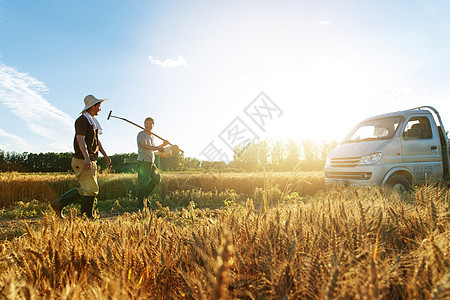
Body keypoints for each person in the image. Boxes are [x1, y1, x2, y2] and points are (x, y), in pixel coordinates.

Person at [50, 95, 111, 218]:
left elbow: (96, 141)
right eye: (98, 106)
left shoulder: (92, 122)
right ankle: (87, 216)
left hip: (90, 159)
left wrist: (105, 154)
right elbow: (80, 139)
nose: (100, 109)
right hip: (82, 159)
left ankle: (58, 205)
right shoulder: (82, 120)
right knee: (91, 188)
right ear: (92, 106)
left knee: (87, 188)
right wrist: (86, 157)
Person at [137, 117, 169, 209]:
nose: (148, 125)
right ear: (144, 124)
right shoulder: (141, 134)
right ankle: (140, 202)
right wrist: (159, 148)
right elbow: (145, 146)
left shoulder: (151, 136)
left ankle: (145, 196)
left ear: (153, 125)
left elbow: (153, 148)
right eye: (146, 123)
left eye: (150, 124)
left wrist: (163, 145)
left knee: (157, 178)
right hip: (143, 161)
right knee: (143, 182)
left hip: (151, 161)